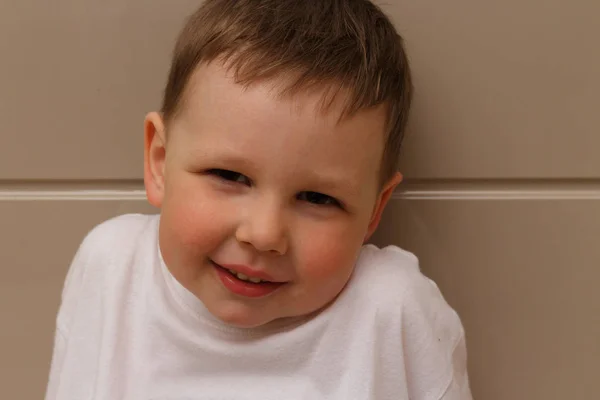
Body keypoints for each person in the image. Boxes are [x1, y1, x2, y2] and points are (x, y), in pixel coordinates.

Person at [45, 0, 472, 398]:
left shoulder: (394, 313)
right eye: (229, 176)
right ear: (159, 160)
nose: (264, 234)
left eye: (317, 198)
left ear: (374, 210)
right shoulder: (111, 268)